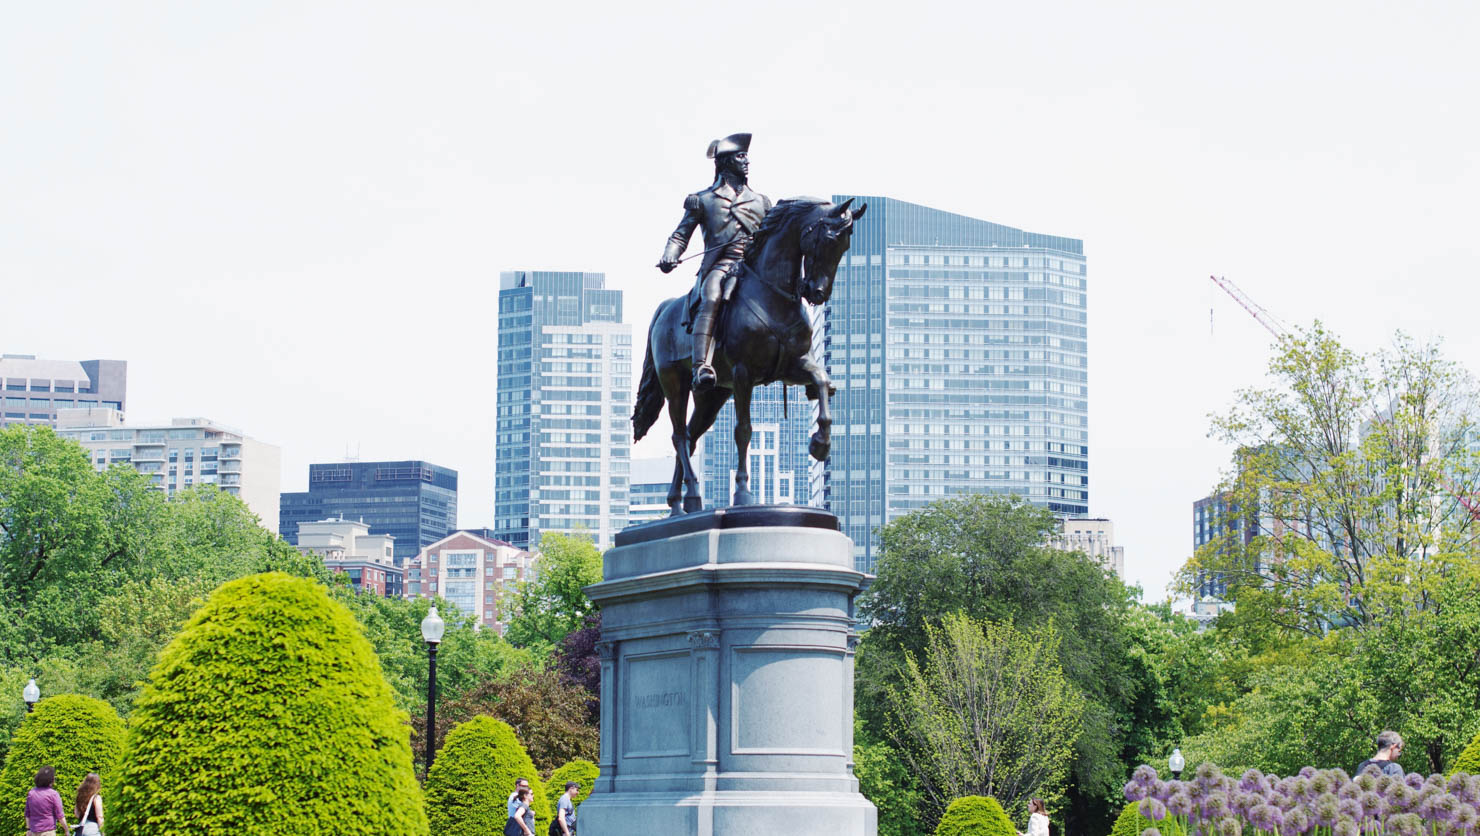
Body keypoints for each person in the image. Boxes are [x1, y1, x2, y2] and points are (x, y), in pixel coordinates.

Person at [657, 131, 773, 393]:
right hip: (721, 266)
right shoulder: (704, 199)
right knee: (711, 297)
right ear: (727, 162)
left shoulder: (761, 202)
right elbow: (680, 234)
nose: (746, 161)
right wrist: (670, 254)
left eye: (747, 156)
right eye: (741, 156)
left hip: (753, 269)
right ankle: (701, 365)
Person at [24, 766, 68, 836]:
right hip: (48, 832)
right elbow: (60, 815)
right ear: (50, 780)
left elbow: (27, 813)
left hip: (33, 831)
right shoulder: (53, 794)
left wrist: (28, 829)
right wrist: (66, 830)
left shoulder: (31, 793)